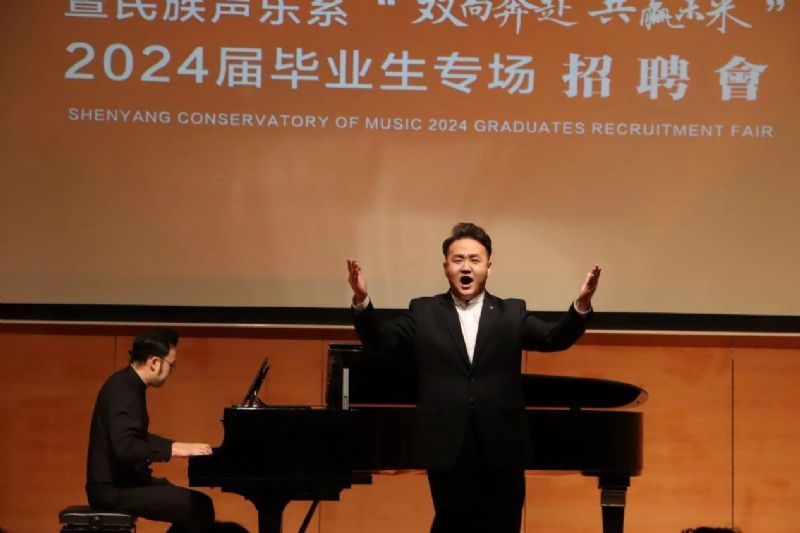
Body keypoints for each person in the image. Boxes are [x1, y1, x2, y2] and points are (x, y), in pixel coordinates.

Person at [347, 222, 600, 533]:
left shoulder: (511, 313)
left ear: (488, 268)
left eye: (474, 260)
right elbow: (381, 340)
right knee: (453, 526)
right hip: (447, 445)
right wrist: (362, 300)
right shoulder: (424, 312)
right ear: (446, 267)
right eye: (458, 260)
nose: (466, 267)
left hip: (503, 445)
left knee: (503, 525)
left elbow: (554, 338)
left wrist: (581, 305)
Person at [85, 329, 215, 532]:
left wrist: (174, 445)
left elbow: (134, 436)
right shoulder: (124, 391)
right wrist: (172, 450)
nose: (171, 371)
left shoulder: (126, 383)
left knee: (198, 504)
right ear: (155, 362)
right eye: (171, 365)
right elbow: (125, 447)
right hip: (112, 490)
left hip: (124, 483)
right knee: (198, 506)